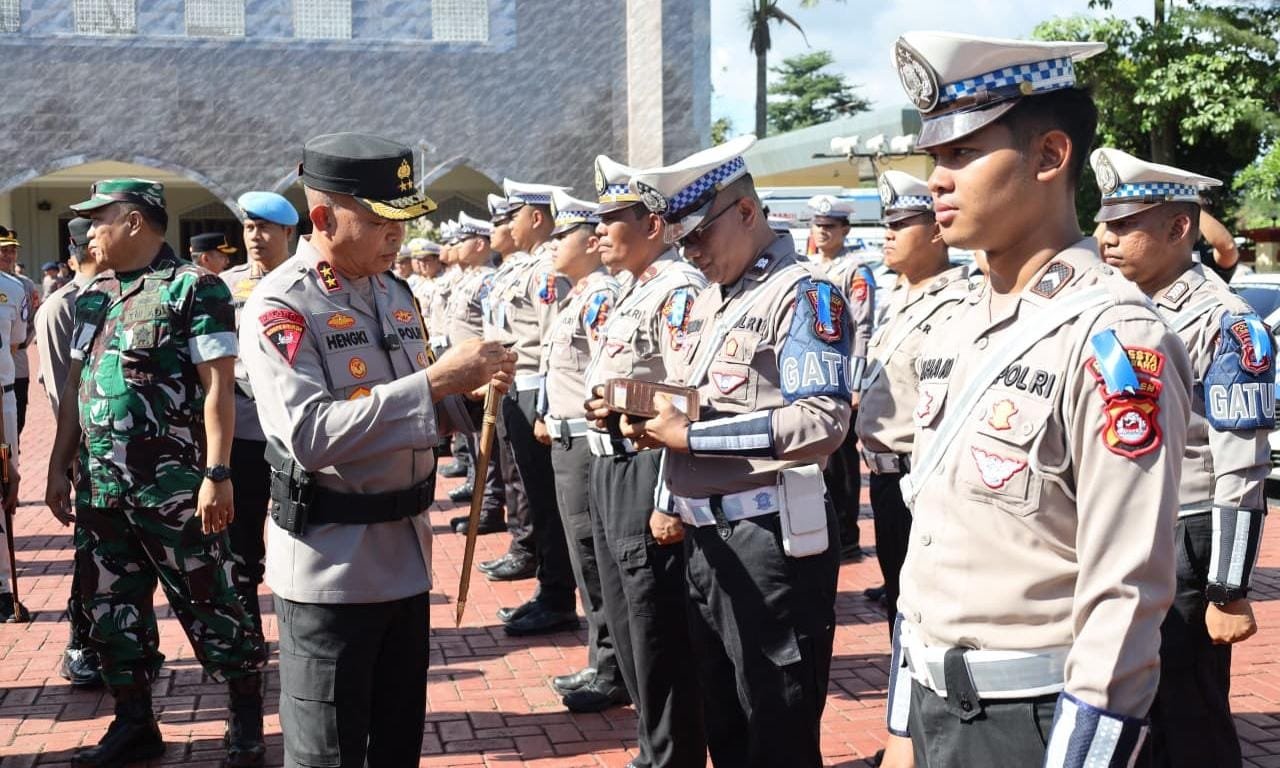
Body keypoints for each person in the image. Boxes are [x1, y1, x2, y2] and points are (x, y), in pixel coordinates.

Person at [876, 33, 1193, 768]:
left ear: (1051, 158)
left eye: (962, 155)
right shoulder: (957, 322)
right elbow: (929, 551)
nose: (937, 181)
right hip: (931, 708)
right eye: (936, 158)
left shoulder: (1116, 338)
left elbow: (1127, 594)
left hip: (1031, 726)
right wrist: (900, 725)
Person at [239, 133, 515, 768]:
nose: (397, 238)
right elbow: (310, 435)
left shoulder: (394, 293)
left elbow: (419, 412)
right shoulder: (283, 305)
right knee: (328, 755)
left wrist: (468, 395)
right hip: (331, 568)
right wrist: (439, 380)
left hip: (406, 558)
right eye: (378, 222)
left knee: (397, 746)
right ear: (323, 219)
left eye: (403, 223)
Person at [619, 136, 848, 767]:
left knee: (776, 724)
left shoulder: (803, 294)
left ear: (746, 213)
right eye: (682, 242)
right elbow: (694, 401)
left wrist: (689, 438)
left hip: (768, 538)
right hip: (706, 540)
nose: (690, 253)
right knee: (725, 723)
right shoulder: (716, 300)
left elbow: (823, 420)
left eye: (698, 236)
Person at [43, 178, 268, 767]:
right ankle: (134, 721)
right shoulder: (91, 298)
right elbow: (73, 388)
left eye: (101, 218)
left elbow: (218, 385)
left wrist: (217, 472)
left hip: (173, 490)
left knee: (212, 602)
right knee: (110, 610)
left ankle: (245, 719)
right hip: (100, 490)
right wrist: (57, 464)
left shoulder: (195, 289)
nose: (90, 230)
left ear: (136, 222)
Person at [1092, 147, 1271, 768]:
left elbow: (1242, 466)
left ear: (1178, 228)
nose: (1105, 238)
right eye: (1104, 223)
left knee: (1188, 714)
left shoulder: (1226, 321)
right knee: (1127, 708)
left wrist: (1228, 588)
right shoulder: (1113, 309)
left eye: (1124, 225)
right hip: (1120, 532)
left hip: (1185, 537)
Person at [581, 154, 709, 765]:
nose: (596, 232)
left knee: (655, 625)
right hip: (609, 466)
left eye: (612, 220)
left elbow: (692, 398)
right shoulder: (633, 290)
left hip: (646, 467)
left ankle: (672, 754)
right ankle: (651, 746)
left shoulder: (679, 289)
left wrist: (668, 495)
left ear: (654, 226)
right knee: (626, 616)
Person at [854, 171, 970, 639]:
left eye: (902, 224)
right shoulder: (900, 298)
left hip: (920, 481)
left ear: (938, 230)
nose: (888, 234)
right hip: (886, 480)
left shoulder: (959, 301)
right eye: (888, 223)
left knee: (928, 615)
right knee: (899, 611)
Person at [531, 190, 626, 712]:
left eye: (560, 236)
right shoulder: (578, 296)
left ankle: (612, 669)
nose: (551, 246)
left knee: (595, 556)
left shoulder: (600, 297)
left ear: (591, 242)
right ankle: (602, 659)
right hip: (567, 437)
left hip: (587, 441)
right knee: (583, 554)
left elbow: (606, 374)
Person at [483, 178, 579, 636]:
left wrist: (544, 406)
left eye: (513, 215)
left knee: (545, 500)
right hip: (514, 386)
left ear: (536, 217)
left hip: (535, 388)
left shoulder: (548, 271)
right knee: (532, 495)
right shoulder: (522, 267)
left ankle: (558, 596)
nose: (504, 225)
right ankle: (549, 589)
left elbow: (552, 344)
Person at [220, 190, 298, 633]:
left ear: (288, 232)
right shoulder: (227, 287)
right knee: (242, 536)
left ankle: (296, 626)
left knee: (299, 531)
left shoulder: (308, 284)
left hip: (293, 431)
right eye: (249, 227)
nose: (255, 236)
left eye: (265, 228)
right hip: (245, 429)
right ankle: (247, 627)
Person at [33, 217, 104, 685]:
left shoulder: (120, 295)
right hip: (88, 454)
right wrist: (68, 459)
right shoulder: (64, 306)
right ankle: (80, 642)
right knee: (90, 554)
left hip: (132, 457)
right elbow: (64, 393)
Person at [806, 194, 875, 559]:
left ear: (845, 230)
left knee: (844, 460)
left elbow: (862, 328)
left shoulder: (855, 270)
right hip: (812, 372)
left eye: (830, 226)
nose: (822, 232)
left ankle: (847, 535)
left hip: (841, 372)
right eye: (817, 225)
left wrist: (856, 382)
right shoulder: (807, 266)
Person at [442, 211, 507, 535]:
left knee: (488, 446)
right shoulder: (469, 278)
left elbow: (491, 327)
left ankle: (490, 505)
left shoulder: (487, 279)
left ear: (479, 244)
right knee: (473, 440)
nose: (455, 246)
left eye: (462, 240)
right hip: (464, 370)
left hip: (481, 371)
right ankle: (480, 492)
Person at [0, 226, 28, 623]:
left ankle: (3, 587)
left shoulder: (14, 289)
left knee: (4, 489)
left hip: (1, 393)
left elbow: (15, 342)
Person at [0, 227, 38, 437]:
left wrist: (19, 344)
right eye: (4, 250)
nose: (9, 255)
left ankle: (12, 456)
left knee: (17, 411)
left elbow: (32, 319)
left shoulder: (25, 285)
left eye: (12, 250)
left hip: (18, 359)